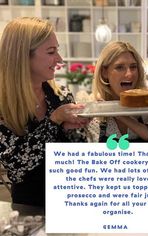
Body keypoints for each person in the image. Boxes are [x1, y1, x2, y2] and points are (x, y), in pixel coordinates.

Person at [0, 17, 90, 207]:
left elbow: (77, 157)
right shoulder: (3, 106)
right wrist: (54, 120)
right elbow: (17, 168)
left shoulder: (61, 94)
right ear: (23, 56)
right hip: (30, 210)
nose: (59, 59)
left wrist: (77, 128)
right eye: (51, 52)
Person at [91, 41, 148, 142]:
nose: (129, 74)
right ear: (104, 72)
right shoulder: (92, 114)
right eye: (120, 67)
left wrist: (120, 115)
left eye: (133, 67)